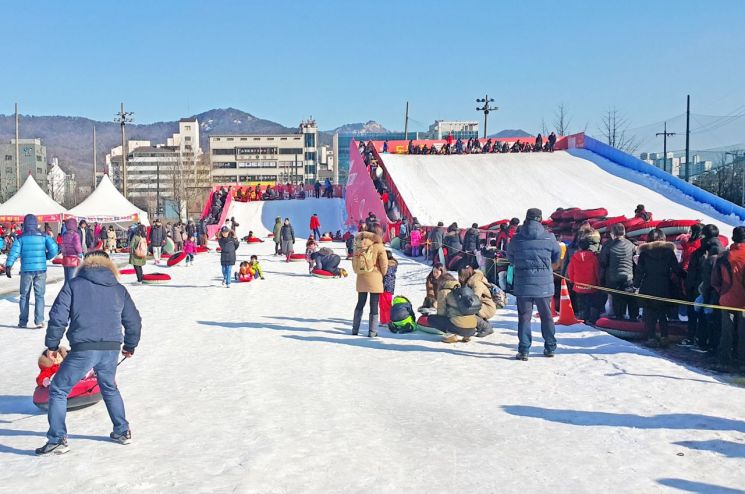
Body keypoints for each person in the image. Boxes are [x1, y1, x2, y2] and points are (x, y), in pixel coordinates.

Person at [35, 250, 142, 455]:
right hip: (110, 349)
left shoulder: (74, 285)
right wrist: (129, 346)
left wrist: (52, 346)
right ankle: (122, 430)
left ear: (86, 264)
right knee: (109, 387)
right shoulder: (119, 289)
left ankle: (57, 438)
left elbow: (58, 315)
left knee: (58, 389)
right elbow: (133, 321)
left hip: (84, 348)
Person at [507, 208, 561, 360]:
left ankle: (524, 350)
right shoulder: (549, 237)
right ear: (540, 219)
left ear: (526, 218)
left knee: (524, 317)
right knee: (547, 316)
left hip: (523, 284)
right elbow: (557, 255)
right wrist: (549, 266)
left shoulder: (517, 238)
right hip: (544, 283)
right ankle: (550, 347)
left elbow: (510, 257)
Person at [5, 214, 59, 329]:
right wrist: (47, 256)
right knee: (39, 296)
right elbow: (54, 249)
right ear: (35, 224)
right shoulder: (43, 236)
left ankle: (23, 321)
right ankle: (39, 320)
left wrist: (8, 265)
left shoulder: (21, 238)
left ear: (24, 224)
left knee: (24, 296)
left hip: (26, 270)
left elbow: (14, 252)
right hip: (40, 270)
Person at [633, 229, 683, 346]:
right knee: (662, 313)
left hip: (648, 286)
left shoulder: (644, 254)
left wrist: (635, 286)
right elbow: (676, 270)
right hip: (665, 285)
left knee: (650, 313)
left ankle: (651, 337)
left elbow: (639, 273)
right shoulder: (669, 252)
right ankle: (664, 336)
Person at [711, 226, 745, 368]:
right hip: (743, 301)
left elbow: (715, 281)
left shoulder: (723, 255)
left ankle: (724, 361)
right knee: (743, 333)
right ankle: (742, 362)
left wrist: (722, 292)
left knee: (727, 332)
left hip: (727, 298)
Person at [351, 230, 388, 337]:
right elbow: (384, 263)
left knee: (360, 303)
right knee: (374, 304)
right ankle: (372, 331)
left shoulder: (358, 243)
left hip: (361, 277)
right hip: (375, 277)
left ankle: (355, 329)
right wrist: (383, 274)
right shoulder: (378, 246)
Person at [599, 223, 638, 320]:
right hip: (629, 277)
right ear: (624, 233)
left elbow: (603, 262)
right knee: (631, 298)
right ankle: (634, 318)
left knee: (617, 299)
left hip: (613, 278)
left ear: (612, 234)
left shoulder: (608, 245)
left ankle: (619, 318)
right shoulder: (631, 245)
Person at [428, 273, 479, 343]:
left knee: (431, 319)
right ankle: (467, 336)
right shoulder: (463, 290)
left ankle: (451, 336)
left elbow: (441, 312)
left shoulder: (444, 292)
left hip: (459, 327)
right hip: (472, 328)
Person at [567, 237, 601, 323]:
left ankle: (582, 318)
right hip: (591, 285)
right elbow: (597, 271)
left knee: (581, 303)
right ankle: (592, 319)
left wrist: (572, 281)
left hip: (578, 285)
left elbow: (570, 271)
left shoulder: (574, 257)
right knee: (591, 302)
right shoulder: (593, 257)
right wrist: (598, 283)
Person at [458, 264, 497, 337]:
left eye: (461, 275)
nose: (460, 277)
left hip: (487, 307)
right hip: (480, 305)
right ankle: (482, 324)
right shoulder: (468, 281)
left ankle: (486, 327)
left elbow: (475, 299)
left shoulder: (476, 282)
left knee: (466, 310)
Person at [60, 217, 83, 284]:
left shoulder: (64, 234)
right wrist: (80, 253)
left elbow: (63, 245)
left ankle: (65, 292)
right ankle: (70, 293)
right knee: (71, 279)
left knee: (66, 279)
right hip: (73, 258)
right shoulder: (75, 235)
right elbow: (77, 245)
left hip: (65, 258)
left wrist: (64, 253)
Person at [379, 251, 398, 326]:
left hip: (386, 287)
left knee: (386, 304)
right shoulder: (388, 264)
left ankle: (387, 320)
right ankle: (383, 320)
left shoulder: (389, 265)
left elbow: (387, 277)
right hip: (384, 286)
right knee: (382, 304)